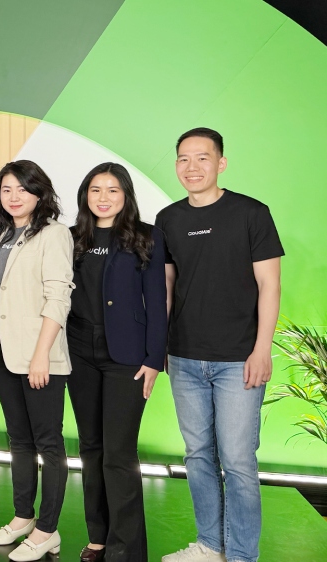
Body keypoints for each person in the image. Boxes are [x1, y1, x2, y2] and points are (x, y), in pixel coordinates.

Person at [158, 128, 283, 562]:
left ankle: (243, 555)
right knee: (198, 456)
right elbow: (167, 288)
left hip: (239, 359)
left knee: (239, 461)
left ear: (221, 163)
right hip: (184, 357)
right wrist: (161, 347)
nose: (191, 167)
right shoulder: (168, 219)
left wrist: (262, 349)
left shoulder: (251, 213)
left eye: (202, 158)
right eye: (183, 159)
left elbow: (270, 286)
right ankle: (210, 545)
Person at [66, 163, 167, 562]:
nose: (103, 198)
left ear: (125, 195)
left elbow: (157, 302)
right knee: (90, 448)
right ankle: (99, 536)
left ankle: (126, 550)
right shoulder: (72, 238)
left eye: (112, 190)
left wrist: (154, 359)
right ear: (85, 195)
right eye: (95, 190)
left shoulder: (146, 237)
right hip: (78, 352)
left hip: (127, 356)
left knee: (119, 454)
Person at [0, 160, 74, 561]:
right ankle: (22, 517)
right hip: (3, 351)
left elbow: (59, 297)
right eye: (6, 189)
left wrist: (41, 356)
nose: (13, 196)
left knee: (48, 443)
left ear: (39, 192)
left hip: (39, 356)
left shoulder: (54, 234)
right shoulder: (1, 234)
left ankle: (47, 530)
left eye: (22, 188)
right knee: (18, 440)